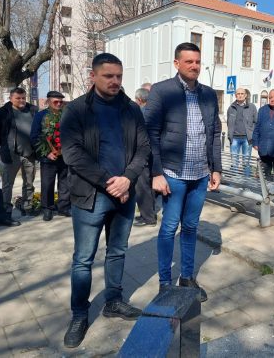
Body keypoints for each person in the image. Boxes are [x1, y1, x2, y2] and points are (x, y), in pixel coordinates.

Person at [60, 53, 150, 348]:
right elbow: (72, 154)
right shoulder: (76, 110)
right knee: (83, 259)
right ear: (93, 76)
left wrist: (128, 179)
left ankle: (113, 301)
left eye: (119, 76)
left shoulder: (131, 109)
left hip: (124, 195)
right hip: (90, 196)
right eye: (108, 76)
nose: (115, 81)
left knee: (117, 251)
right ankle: (79, 314)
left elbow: (143, 147)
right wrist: (110, 183)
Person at [145, 42, 222, 302]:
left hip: (200, 176)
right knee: (169, 228)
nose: (194, 66)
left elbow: (214, 133)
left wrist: (216, 168)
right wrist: (156, 172)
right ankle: (165, 283)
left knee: (190, 227)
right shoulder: (162, 91)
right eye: (189, 61)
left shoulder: (208, 94)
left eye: (197, 61)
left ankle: (187, 277)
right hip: (173, 174)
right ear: (177, 63)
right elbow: (150, 133)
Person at [0, 87, 37, 225]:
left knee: (29, 183)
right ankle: (6, 213)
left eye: (23, 98)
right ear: (11, 98)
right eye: (18, 98)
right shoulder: (2, 113)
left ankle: (27, 207)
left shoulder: (33, 110)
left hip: (29, 153)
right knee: (8, 185)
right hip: (10, 154)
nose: (21, 101)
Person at [30, 91, 71, 221]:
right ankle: (47, 208)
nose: (59, 104)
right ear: (48, 101)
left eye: (61, 102)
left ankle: (63, 207)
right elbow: (35, 136)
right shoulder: (40, 116)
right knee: (47, 184)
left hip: (64, 156)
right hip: (48, 157)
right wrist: (46, 153)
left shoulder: (66, 115)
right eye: (55, 102)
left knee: (65, 183)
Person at [133, 87, 157, 227]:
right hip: (152, 154)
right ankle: (147, 214)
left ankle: (148, 217)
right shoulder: (153, 111)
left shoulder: (142, 113)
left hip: (144, 154)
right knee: (148, 185)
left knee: (142, 186)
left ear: (139, 100)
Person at [227, 87, 257, 175]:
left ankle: (246, 181)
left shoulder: (252, 107)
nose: (240, 95)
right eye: (238, 94)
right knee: (234, 162)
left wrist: (251, 132)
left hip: (247, 139)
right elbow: (229, 122)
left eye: (242, 94)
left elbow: (256, 121)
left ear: (245, 95)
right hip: (234, 139)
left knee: (246, 163)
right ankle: (235, 181)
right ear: (235, 95)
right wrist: (230, 134)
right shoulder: (231, 108)